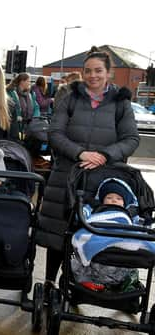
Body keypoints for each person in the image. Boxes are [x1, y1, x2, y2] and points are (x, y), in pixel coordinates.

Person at [36, 48, 140, 296]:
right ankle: (51, 282)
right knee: (59, 234)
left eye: (98, 71)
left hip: (101, 178)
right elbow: (55, 134)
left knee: (93, 233)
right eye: (88, 71)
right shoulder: (70, 98)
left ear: (108, 73)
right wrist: (81, 153)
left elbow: (131, 138)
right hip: (66, 175)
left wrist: (105, 155)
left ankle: (80, 283)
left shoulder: (120, 102)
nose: (92, 75)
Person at [70, 178, 146, 293]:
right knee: (76, 259)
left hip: (121, 244)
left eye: (118, 199)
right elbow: (82, 216)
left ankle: (124, 283)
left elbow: (138, 226)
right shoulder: (96, 209)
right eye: (109, 198)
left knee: (139, 242)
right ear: (102, 200)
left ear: (125, 202)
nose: (113, 201)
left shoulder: (128, 214)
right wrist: (83, 210)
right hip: (99, 235)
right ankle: (86, 281)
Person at [6, 72, 40, 137]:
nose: (30, 83)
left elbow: (36, 107)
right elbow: (9, 108)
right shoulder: (11, 93)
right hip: (15, 126)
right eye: (28, 81)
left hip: (28, 126)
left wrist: (35, 118)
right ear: (22, 82)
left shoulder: (31, 94)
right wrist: (17, 116)